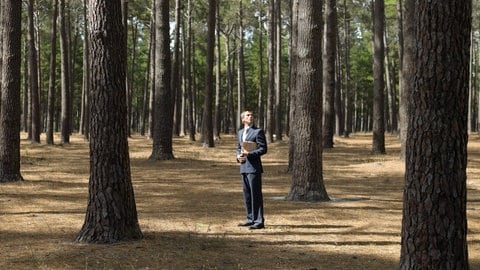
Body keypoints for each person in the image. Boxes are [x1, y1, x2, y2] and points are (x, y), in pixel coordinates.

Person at [236, 110, 267, 229]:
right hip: (243, 168)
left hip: (254, 168)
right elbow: (238, 148)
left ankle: (259, 221)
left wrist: (250, 154)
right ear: (243, 119)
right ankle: (250, 218)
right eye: (248, 115)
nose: (251, 117)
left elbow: (263, 149)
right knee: (247, 195)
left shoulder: (258, 131)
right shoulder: (240, 133)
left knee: (256, 195)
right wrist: (238, 157)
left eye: (252, 115)